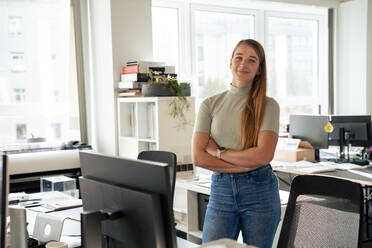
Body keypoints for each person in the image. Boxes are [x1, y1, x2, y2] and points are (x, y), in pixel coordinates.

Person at [192, 39, 281, 248]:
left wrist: (219, 152)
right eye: (239, 57)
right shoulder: (209, 104)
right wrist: (243, 165)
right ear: (230, 62)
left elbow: (262, 156)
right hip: (221, 189)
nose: (244, 64)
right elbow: (198, 156)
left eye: (252, 60)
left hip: (260, 190)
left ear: (259, 69)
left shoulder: (268, 105)